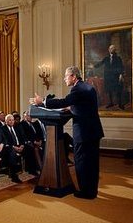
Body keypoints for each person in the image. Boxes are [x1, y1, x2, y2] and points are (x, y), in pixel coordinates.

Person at [30, 66, 104, 199]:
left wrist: (43, 102)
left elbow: (64, 101)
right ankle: (92, 191)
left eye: (66, 76)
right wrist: (71, 107)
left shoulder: (77, 89)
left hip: (84, 133)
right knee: (92, 163)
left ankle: (85, 193)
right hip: (94, 131)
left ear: (74, 76)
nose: (64, 79)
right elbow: (82, 106)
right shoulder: (87, 87)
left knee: (81, 162)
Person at [92, 44, 125, 109]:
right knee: (109, 90)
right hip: (108, 77)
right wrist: (93, 66)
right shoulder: (106, 58)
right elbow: (101, 63)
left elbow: (121, 66)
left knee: (118, 90)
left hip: (115, 76)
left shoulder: (118, 58)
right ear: (109, 50)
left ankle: (120, 104)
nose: (111, 50)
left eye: (113, 49)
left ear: (115, 50)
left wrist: (121, 74)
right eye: (110, 48)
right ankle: (111, 103)